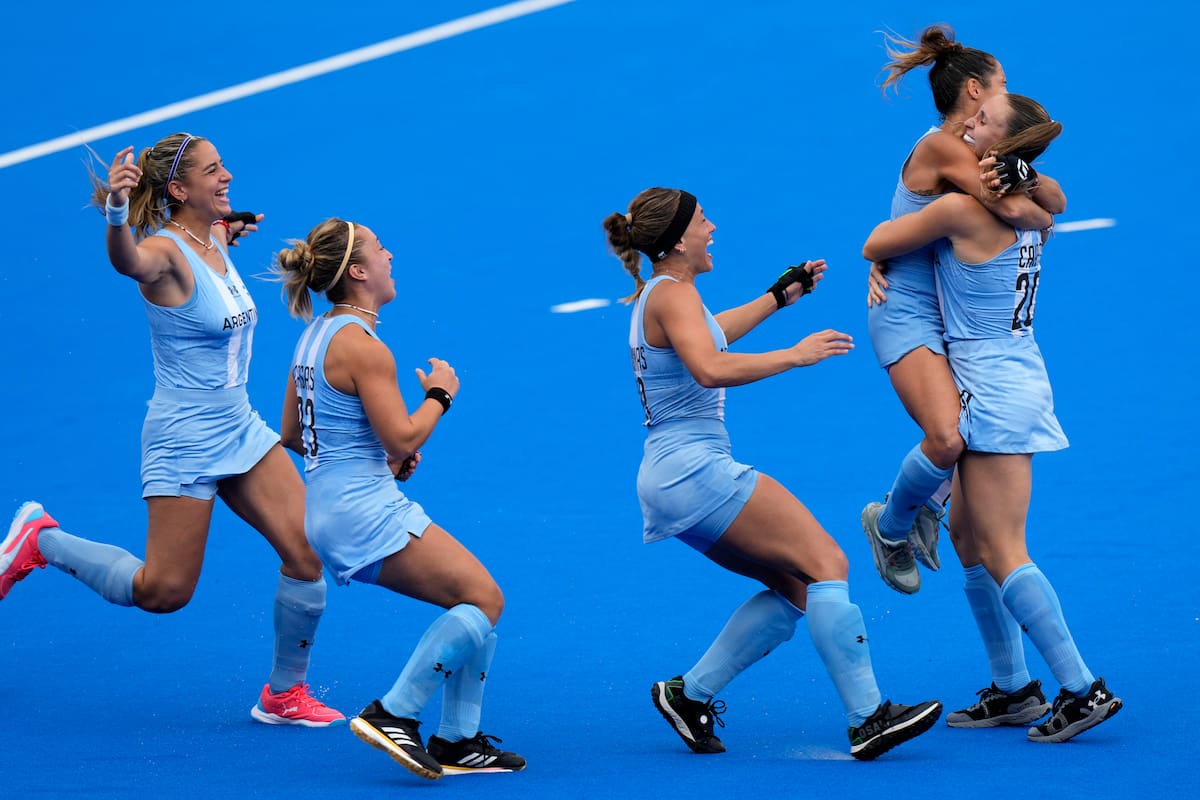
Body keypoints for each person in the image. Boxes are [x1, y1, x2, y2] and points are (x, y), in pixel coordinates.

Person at [0, 133, 343, 726]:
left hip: (238, 424)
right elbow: (127, 262)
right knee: (164, 592)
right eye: (213, 171)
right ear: (179, 189)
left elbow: (215, 239)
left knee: (306, 551)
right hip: (184, 438)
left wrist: (226, 224)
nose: (227, 175)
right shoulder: (162, 253)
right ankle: (40, 540)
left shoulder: (212, 237)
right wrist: (116, 211)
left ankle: (284, 693)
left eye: (224, 165)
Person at [604, 188, 942, 761]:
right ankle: (868, 718)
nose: (712, 228)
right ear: (679, 240)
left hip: (667, 479)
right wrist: (796, 354)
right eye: (703, 220)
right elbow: (708, 366)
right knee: (827, 563)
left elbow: (708, 334)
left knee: (795, 585)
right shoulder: (675, 294)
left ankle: (689, 695)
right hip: (695, 470)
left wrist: (777, 297)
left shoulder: (662, 294)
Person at [862, 93, 1122, 743]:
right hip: (1014, 376)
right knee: (968, 540)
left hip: (994, 391)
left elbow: (877, 240)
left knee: (1004, 549)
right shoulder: (1030, 211)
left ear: (1000, 150)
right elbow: (1049, 202)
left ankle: (1081, 689)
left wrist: (882, 262)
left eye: (979, 124)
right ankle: (1014, 689)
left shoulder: (959, 211)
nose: (966, 127)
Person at [272, 218, 525, 780]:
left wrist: (379, 460)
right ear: (358, 272)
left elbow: (295, 433)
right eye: (381, 249)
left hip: (329, 511)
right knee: (484, 600)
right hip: (363, 514)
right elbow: (404, 437)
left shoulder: (313, 336)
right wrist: (440, 394)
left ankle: (458, 741)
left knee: (473, 600)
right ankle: (394, 713)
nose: (390, 257)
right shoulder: (365, 348)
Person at [862, 24, 1068, 595]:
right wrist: (1039, 212)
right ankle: (890, 525)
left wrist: (1029, 179)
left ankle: (928, 504)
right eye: (1003, 84)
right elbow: (1026, 212)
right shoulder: (943, 148)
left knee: (968, 485)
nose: (1009, 93)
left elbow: (1053, 196)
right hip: (907, 312)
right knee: (949, 437)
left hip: (947, 314)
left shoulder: (975, 149)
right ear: (976, 90)